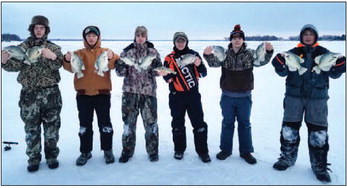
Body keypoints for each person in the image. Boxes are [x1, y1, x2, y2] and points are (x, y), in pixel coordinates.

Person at [271, 24, 346, 183]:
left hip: (317, 98)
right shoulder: (292, 53)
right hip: (293, 96)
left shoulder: (325, 53)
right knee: (289, 130)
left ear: (316, 36)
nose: (308, 37)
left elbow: (333, 74)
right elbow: (283, 71)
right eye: (305, 34)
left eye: (311, 34)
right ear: (301, 36)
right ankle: (287, 159)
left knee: (318, 134)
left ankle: (319, 166)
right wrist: (278, 66)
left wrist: (339, 68)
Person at [203, 24, 273, 164]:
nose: (237, 40)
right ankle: (226, 150)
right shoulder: (224, 54)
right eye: (234, 37)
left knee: (245, 124)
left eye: (239, 37)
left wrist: (269, 52)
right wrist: (206, 54)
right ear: (231, 40)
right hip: (227, 96)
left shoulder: (250, 54)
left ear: (242, 40)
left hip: (244, 97)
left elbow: (261, 62)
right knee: (227, 123)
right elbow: (214, 64)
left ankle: (246, 152)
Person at [1, 15, 63, 172]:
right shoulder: (22, 47)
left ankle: (51, 156)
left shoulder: (53, 47)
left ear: (46, 30)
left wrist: (53, 56)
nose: (39, 30)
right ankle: (33, 158)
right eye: (36, 28)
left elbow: (60, 63)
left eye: (42, 28)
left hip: (51, 94)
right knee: (31, 128)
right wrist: (4, 61)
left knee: (52, 128)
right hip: (29, 95)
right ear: (32, 29)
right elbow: (13, 67)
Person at [63, 26, 119, 166]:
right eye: (88, 36)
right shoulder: (78, 53)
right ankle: (85, 152)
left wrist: (112, 58)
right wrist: (66, 59)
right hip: (83, 95)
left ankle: (107, 150)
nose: (91, 38)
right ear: (85, 38)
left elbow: (115, 64)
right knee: (84, 125)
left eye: (94, 36)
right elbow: (68, 67)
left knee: (105, 124)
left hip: (102, 94)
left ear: (98, 37)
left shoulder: (106, 52)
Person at [115, 26, 163, 163]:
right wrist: (123, 64)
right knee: (128, 125)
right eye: (138, 35)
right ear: (135, 37)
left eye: (143, 35)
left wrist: (160, 72)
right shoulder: (127, 52)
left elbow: (157, 69)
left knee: (151, 124)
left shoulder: (153, 52)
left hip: (148, 93)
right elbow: (119, 72)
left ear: (146, 37)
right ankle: (127, 151)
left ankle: (153, 151)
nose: (141, 38)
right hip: (130, 93)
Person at [162, 32, 211, 163]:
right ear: (174, 42)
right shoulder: (169, 58)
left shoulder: (193, 54)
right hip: (176, 96)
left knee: (199, 124)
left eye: (183, 41)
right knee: (177, 124)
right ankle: (179, 149)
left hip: (193, 95)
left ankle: (203, 151)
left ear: (186, 42)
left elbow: (203, 73)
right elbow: (167, 77)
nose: (180, 43)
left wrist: (199, 64)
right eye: (178, 41)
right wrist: (166, 75)